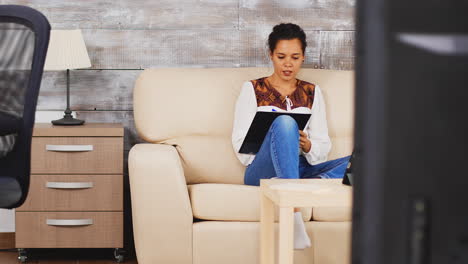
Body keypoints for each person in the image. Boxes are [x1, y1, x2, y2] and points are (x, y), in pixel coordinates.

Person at [231, 23, 351, 250]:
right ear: (271, 55)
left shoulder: (313, 92)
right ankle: (294, 216)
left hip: (300, 167)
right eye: (281, 56)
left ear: (303, 57)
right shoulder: (252, 89)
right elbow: (240, 146)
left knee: (361, 160)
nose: (288, 64)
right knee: (285, 122)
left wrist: (308, 146)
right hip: (261, 170)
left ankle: (296, 183)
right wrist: (275, 140)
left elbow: (323, 144)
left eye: (295, 57)